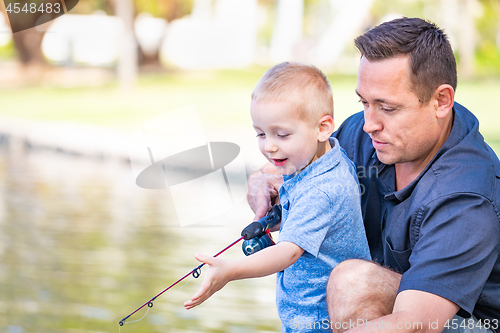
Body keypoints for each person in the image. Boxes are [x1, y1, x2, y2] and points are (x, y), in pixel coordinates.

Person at [247, 17, 500, 333]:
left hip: (458, 322)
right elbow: (301, 159)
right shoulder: (366, 133)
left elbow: (416, 322)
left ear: (441, 101)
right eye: (364, 102)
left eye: (388, 108)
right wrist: (262, 177)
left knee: (353, 281)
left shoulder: (467, 199)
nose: (369, 124)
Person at [184, 62, 371, 332]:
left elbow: (287, 252)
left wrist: (230, 270)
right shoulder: (326, 159)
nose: (269, 146)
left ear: (322, 128)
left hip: (318, 321)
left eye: (282, 134)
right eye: (260, 133)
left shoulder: (322, 189)